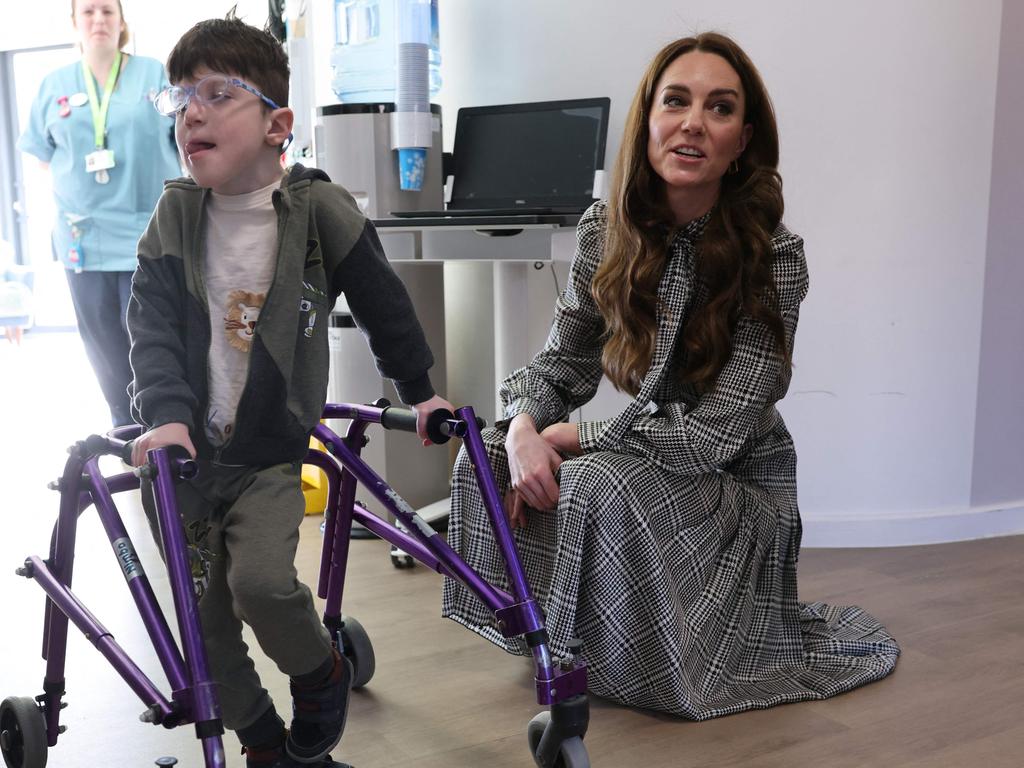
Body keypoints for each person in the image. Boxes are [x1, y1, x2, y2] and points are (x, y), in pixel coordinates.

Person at [442, 32, 900, 719]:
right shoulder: (606, 231)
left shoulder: (775, 258)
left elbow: (713, 437)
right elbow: (562, 360)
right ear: (648, 121)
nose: (693, 122)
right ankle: (556, 640)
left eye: (719, 109)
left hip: (734, 478)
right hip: (646, 453)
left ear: (741, 141)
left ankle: (637, 655)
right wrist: (522, 429)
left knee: (599, 477)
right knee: (484, 455)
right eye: (676, 102)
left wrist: (573, 435)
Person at [126, 15, 453, 768]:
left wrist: (422, 391)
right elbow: (150, 334)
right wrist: (167, 419)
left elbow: (384, 305)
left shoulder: (318, 211)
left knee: (265, 586)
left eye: (215, 93)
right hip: (183, 461)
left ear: (279, 124)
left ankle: (322, 671)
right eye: (179, 99)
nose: (191, 113)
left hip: (269, 454)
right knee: (203, 629)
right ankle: (265, 747)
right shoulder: (173, 217)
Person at [17, 0, 181, 426]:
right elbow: (39, 154)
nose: (99, 20)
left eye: (108, 11)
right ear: (74, 23)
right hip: (82, 239)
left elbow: (184, 139)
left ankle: (160, 424)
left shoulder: (154, 74)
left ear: (122, 21)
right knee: (103, 347)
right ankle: (124, 429)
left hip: (148, 235)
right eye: (88, 12)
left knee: (147, 341)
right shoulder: (54, 84)